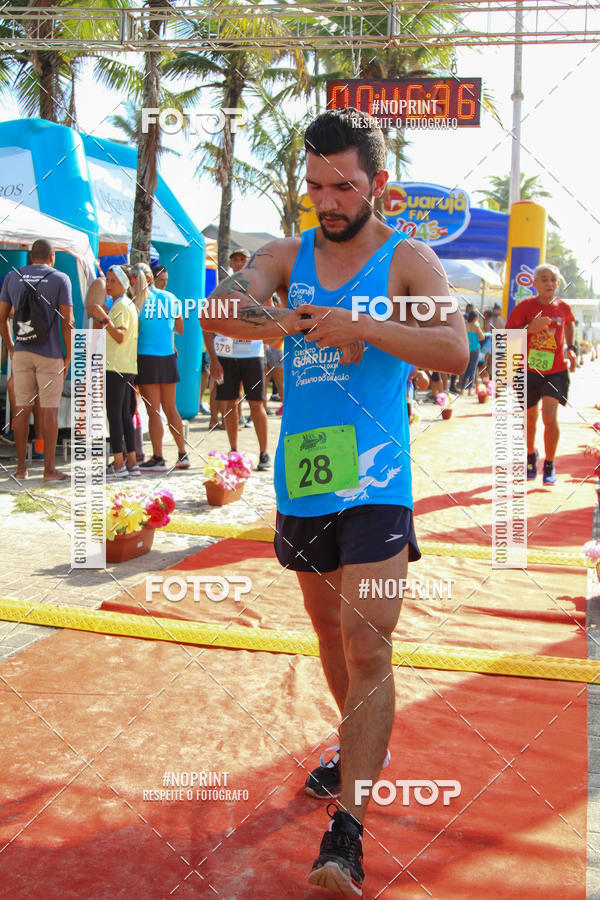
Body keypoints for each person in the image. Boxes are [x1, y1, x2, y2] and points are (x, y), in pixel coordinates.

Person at [200, 108, 468, 895]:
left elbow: (455, 349)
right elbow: (219, 309)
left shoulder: (407, 261)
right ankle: (358, 745)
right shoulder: (287, 255)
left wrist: (365, 325)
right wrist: (286, 321)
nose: (327, 199)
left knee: (366, 639)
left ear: (376, 183)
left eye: (342, 185)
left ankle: (346, 832)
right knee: (328, 633)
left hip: (379, 480)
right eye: (314, 185)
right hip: (308, 477)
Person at [0, 239, 73, 482]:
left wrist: (11, 346)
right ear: (52, 257)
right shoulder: (60, 278)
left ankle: (21, 469)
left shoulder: (12, 276)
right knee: (49, 411)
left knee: (21, 410)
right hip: (49, 354)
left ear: (32, 257)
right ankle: (49, 470)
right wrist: (68, 354)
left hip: (21, 351)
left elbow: (1, 318)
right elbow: (67, 321)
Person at [506, 263, 576, 484]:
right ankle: (530, 455)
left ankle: (549, 464)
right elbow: (508, 336)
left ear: (557, 284)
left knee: (549, 416)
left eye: (553, 279)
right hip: (528, 370)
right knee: (530, 417)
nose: (549, 283)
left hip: (555, 371)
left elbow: (570, 324)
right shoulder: (524, 307)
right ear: (535, 284)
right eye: (544, 279)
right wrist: (530, 328)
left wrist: (571, 349)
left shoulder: (563, 307)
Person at [205, 248, 272, 469]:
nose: (239, 262)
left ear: (250, 260)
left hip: (252, 354)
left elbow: (273, 316)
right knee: (229, 404)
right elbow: (205, 322)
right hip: (225, 354)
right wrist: (213, 360)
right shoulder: (222, 288)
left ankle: (264, 452)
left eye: (243, 258)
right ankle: (233, 450)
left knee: (256, 403)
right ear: (230, 263)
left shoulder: (262, 286)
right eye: (235, 258)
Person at [129, 262, 190, 472]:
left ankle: (158, 457)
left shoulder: (137, 302)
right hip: (167, 357)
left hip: (146, 358)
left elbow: (133, 334)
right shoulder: (170, 298)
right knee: (171, 408)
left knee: (153, 411)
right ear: (153, 278)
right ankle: (183, 454)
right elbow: (180, 329)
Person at [88, 265, 140, 478]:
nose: (108, 285)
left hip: (115, 366)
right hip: (126, 366)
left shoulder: (121, 306)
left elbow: (119, 335)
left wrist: (104, 317)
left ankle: (119, 462)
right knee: (125, 415)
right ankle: (132, 462)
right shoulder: (124, 304)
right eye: (107, 280)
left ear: (124, 284)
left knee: (116, 415)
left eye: (113, 281)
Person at [460, 310, 485, 395]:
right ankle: (470, 390)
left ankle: (462, 389)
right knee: (473, 369)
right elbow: (482, 337)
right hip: (475, 350)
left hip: (467, 349)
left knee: (466, 369)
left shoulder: (464, 325)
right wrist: (476, 339)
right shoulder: (476, 325)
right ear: (475, 318)